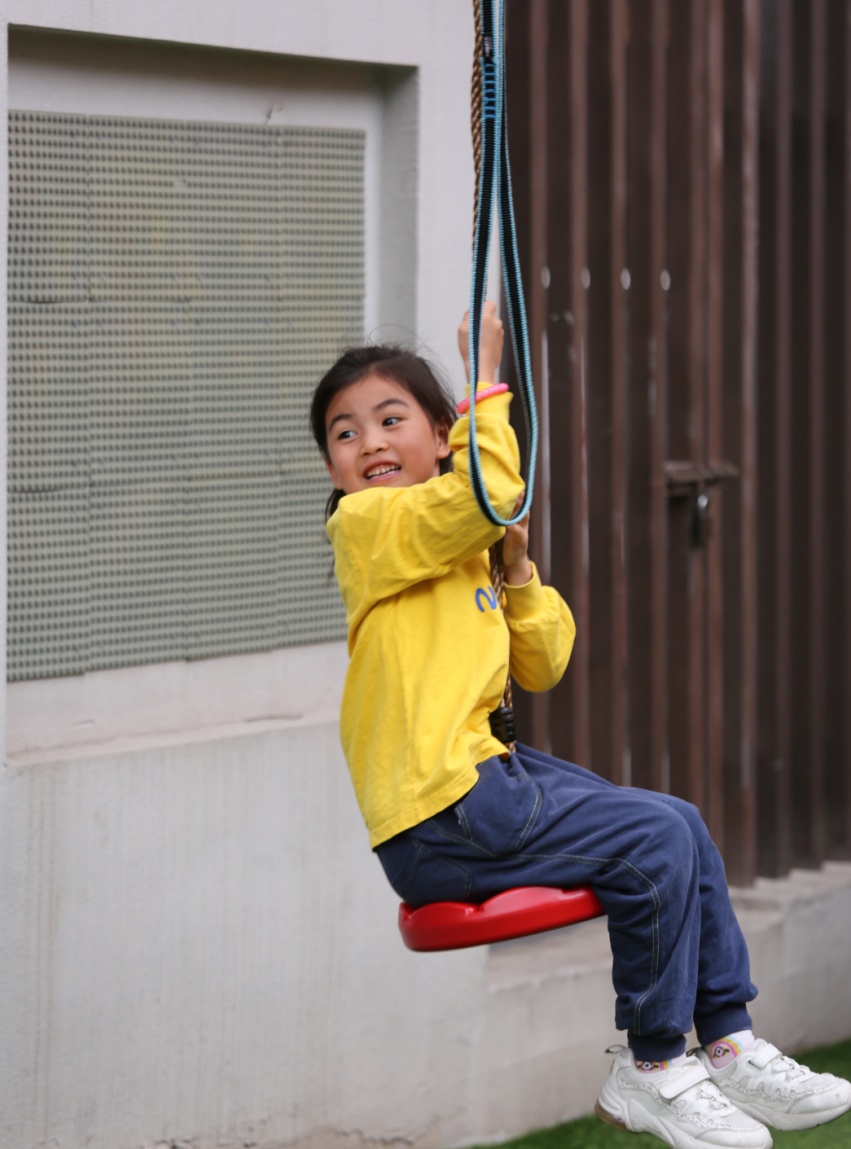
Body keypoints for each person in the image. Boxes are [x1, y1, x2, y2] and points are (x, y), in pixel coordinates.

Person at [309, 301, 851, 1149]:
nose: (368, 441)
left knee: (680, 822)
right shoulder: (367, 527)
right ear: (334, 468)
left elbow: (543, 662)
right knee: (651, 840)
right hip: (439, 814)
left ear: (440, 437)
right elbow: (488, 493)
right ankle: (651, 1062)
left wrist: (518, 569)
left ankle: (727, 1039)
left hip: (482, 786)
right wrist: (487, 382)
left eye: (388, 418)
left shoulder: (456, 545)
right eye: (344, 433)